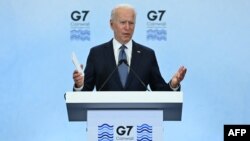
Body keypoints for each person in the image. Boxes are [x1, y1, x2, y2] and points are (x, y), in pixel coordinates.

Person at [73, 4, 187, 91]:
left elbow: (160, 91)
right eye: (123, 22)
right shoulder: (96, 54)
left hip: (141, 119)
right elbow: (85, 92)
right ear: (111, 24)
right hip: (103, 119)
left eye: (131, 23)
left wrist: (173, 83)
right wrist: (79, 84)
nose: (127, 27)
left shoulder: (147, 55)